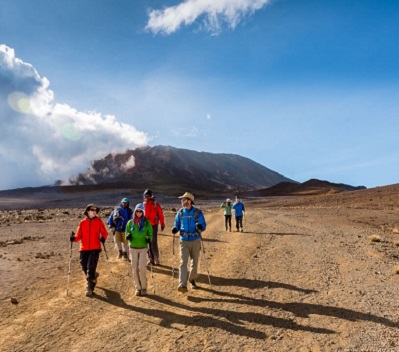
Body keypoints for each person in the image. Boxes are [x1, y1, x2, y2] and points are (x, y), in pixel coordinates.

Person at [70, 204, 108, 297]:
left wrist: (103, 237)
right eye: (92, 209)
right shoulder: (82, 222)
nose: (94, 211)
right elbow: (79, 236)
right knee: (83, 265)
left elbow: (104, 232)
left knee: (90, 266)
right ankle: (93, 276)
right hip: (84, 248)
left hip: (95, 248)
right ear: (87, 211)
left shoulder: (99, 221)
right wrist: (73, 238)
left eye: (96, 210)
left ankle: (89, 287)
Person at [171, 192, 206, 293]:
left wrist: (200, 226)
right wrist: (175, 229)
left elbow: (203, 224)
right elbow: (177, 224)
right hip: (184, 240)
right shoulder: (180, 212)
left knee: (194, 262)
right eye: (182, 199)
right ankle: (182, 284)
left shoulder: (198, 212)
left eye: (184, 199)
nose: (182, 201)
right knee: (183, 262)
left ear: (189, 201)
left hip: (195, 240)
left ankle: (191, 279)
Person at [125, 203, 153, 296]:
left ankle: (144, 287)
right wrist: (128, 236)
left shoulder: (147, 222)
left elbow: (150, 233)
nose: (139, 213)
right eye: (137, 211)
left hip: (143, 247)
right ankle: (138, 288)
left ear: (143, 212)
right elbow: (127, 232)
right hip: (133, 247)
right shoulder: (130, 222)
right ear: (135, 211)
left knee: (141, 267)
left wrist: (149, 238)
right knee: (134, 268)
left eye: (140, 211)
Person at [143, 189, 165, 265]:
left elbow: (160, 214)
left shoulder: (155, 204)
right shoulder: (144, 204)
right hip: (146, 226)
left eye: (148, 196)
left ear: (150, 196)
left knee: (153, 242)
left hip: (153, 225)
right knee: (148, 242)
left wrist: (162, 224)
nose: (146, 197)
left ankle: (156, 258)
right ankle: (151, 259)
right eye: (145, 196)